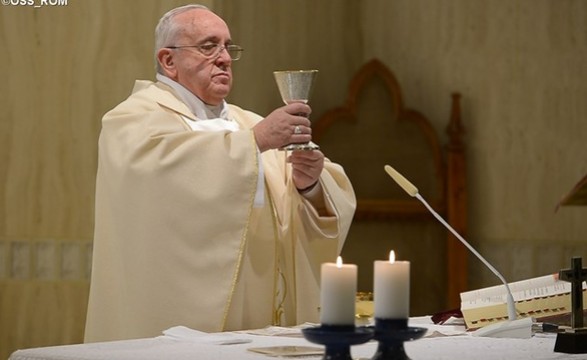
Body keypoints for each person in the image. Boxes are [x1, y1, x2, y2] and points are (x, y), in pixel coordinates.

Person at [84, 4, 356, 343]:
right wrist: (253, 144)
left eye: (228, 47)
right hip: (178, 309)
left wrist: (310, 185)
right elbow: (160, 184)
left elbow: (322, 209)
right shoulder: (132, 120)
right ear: (168, 61)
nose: (224, 57)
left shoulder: (249, 123)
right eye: (208, 46)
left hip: (262, 309)